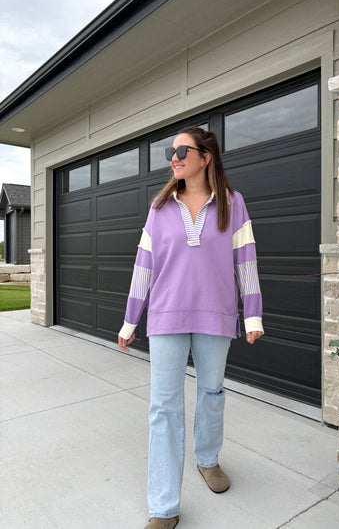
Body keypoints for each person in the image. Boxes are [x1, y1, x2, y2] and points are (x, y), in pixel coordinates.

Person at [118, 126, 264, 529]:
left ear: (206, 156)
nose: (174, 157)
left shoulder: (233, 204)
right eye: (171, 150)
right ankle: (163, 507)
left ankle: (207, 458)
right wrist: (130, 320)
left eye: (183, 149)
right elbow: (143, 266)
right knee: (163, 408)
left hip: (216, 317)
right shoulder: (159, 207)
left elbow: (246, 262)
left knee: (211, 393)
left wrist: (253, 314)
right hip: (166, 316)